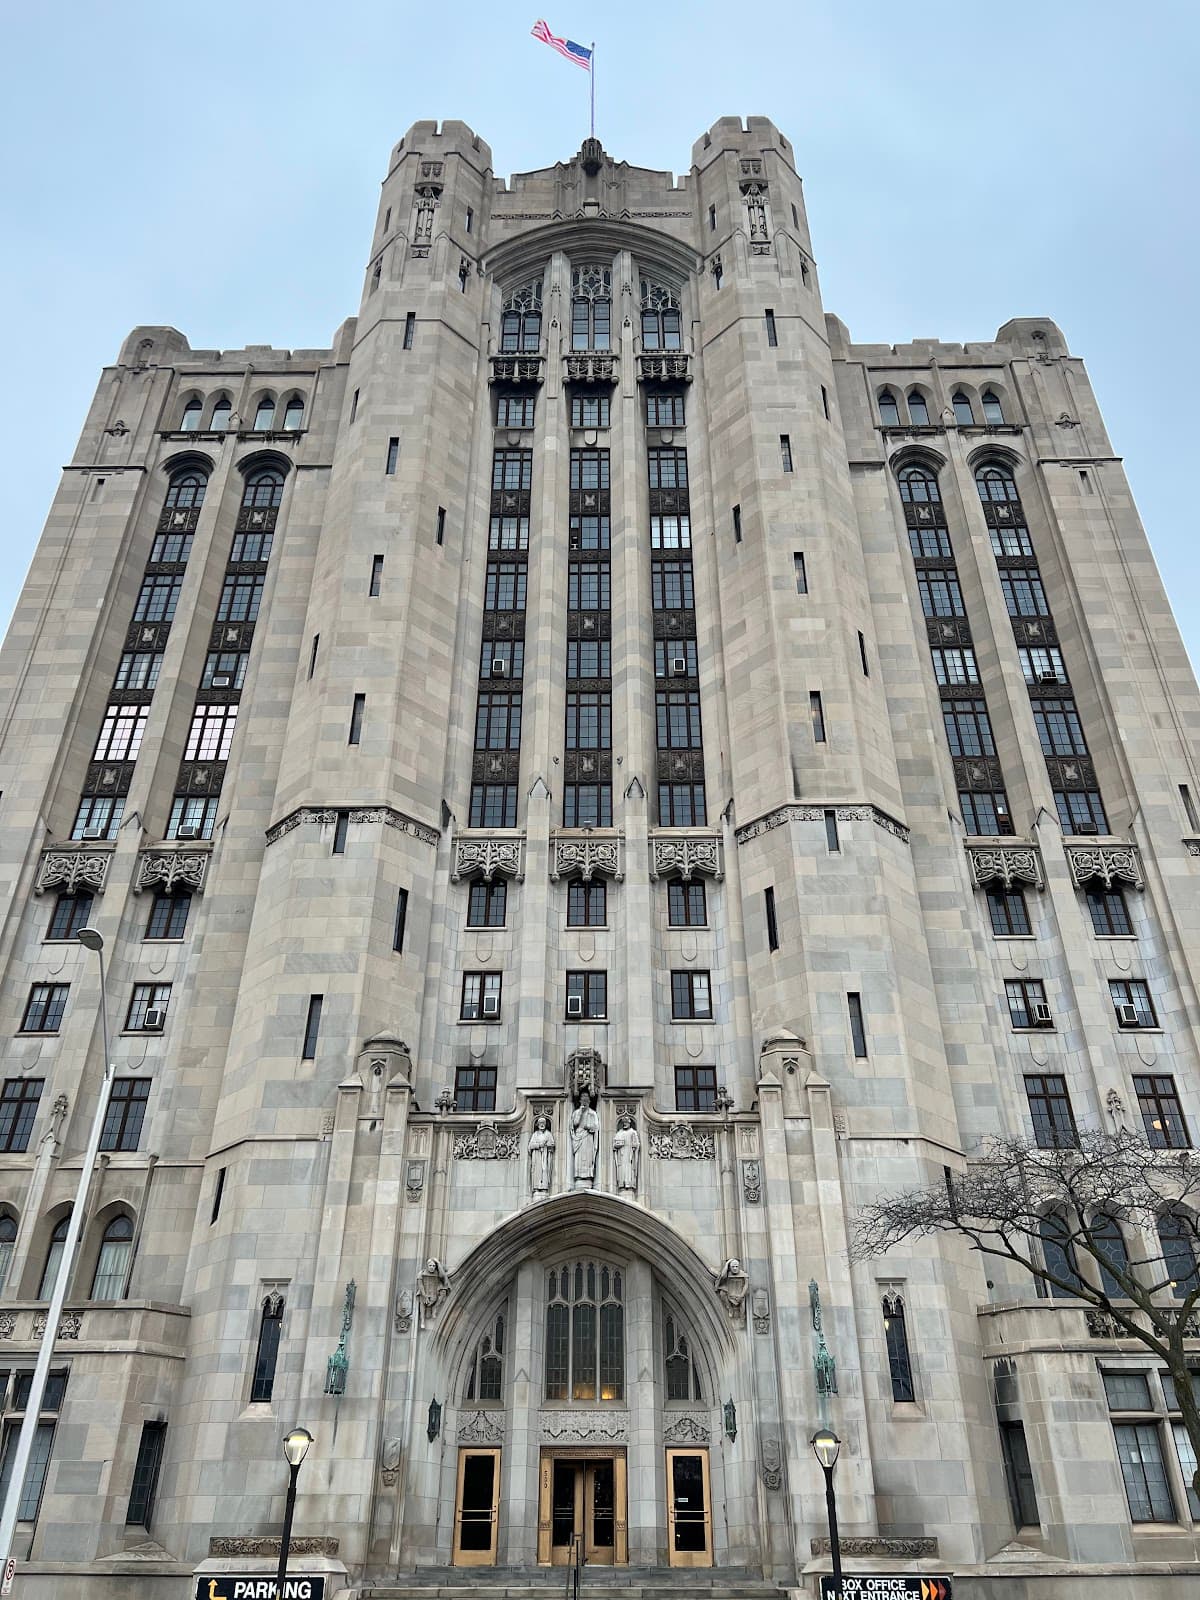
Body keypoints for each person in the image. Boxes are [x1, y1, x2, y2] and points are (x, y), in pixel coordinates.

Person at [570, 1091, 600, 1187]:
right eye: (583, 1100)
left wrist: (589, 1127)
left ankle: (588, 1176)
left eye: (586, 1100)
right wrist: (580, 1112)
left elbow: (596, 1126)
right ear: (580, 1101)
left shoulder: (593, 1113)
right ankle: (578, 1176)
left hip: (588, 1137)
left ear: (589, 1101)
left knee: (588, 1157)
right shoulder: (576, 1112)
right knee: (579, 1157)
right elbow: (574, 1123)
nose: (584, 1102)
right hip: (579, 1136)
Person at [613, 1114, 641, 1193]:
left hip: (629, 1154)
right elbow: (614, 1144)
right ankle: (621, 1184)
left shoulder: (633, 1132)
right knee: (621, 1169)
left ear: (629, 1123)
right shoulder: (619, 1133)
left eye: (626, 1122)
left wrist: (634, 1146)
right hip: (621, 1154)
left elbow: (637, 1144)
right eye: (623, 1122)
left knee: (629, 1169)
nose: (625, 1124)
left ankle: (629, 1185)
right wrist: (617, 1145)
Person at [529, 1115, 556, 1196]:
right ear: (538, 1124)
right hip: (537, 1157)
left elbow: (552, 1145)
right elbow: (530, 1146)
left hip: (545, 1156)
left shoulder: (548, 1134)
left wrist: (548, 1146)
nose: (542, 1124)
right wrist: (538, 1145)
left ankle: (544, 1188)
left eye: (543, 1123)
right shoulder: (535, 1134)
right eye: (540, 1123)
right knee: (537, 1171)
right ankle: (536, 1188)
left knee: (544, 1171)